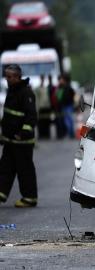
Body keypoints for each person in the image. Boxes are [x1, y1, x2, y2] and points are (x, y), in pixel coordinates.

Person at [0, 64, 38, 207]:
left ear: (17, 77)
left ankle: (29, 198)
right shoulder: (12, 91)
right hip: (10, 140)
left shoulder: (26, 93)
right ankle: (1, 193)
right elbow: (9, 116)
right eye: (6, 76)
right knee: (5, 168)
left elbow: (31, 117)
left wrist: (23, 133)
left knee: (25, 170)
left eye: (9, 76)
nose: (7, 79)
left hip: (22, 142)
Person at [56, 73, 75, 138]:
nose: (60, 81)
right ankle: (71, 134)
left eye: (62, 79)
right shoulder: (63, 87)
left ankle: (71, 134)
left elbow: (70, 96)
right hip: (65, 106)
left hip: (67, 106)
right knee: (67, 120)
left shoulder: (67, 87)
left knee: (68, 120)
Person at [35, 74, 52, 139]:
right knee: (40, 122)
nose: (42, 79)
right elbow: (37, 98)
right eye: (41, 78)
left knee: (47, 122)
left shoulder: (46, 88)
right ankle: (41, 135)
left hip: (47, 107)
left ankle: (47, 134)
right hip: (41, 107)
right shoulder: (37, 88)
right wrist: (37, 107)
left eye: (43, 78)